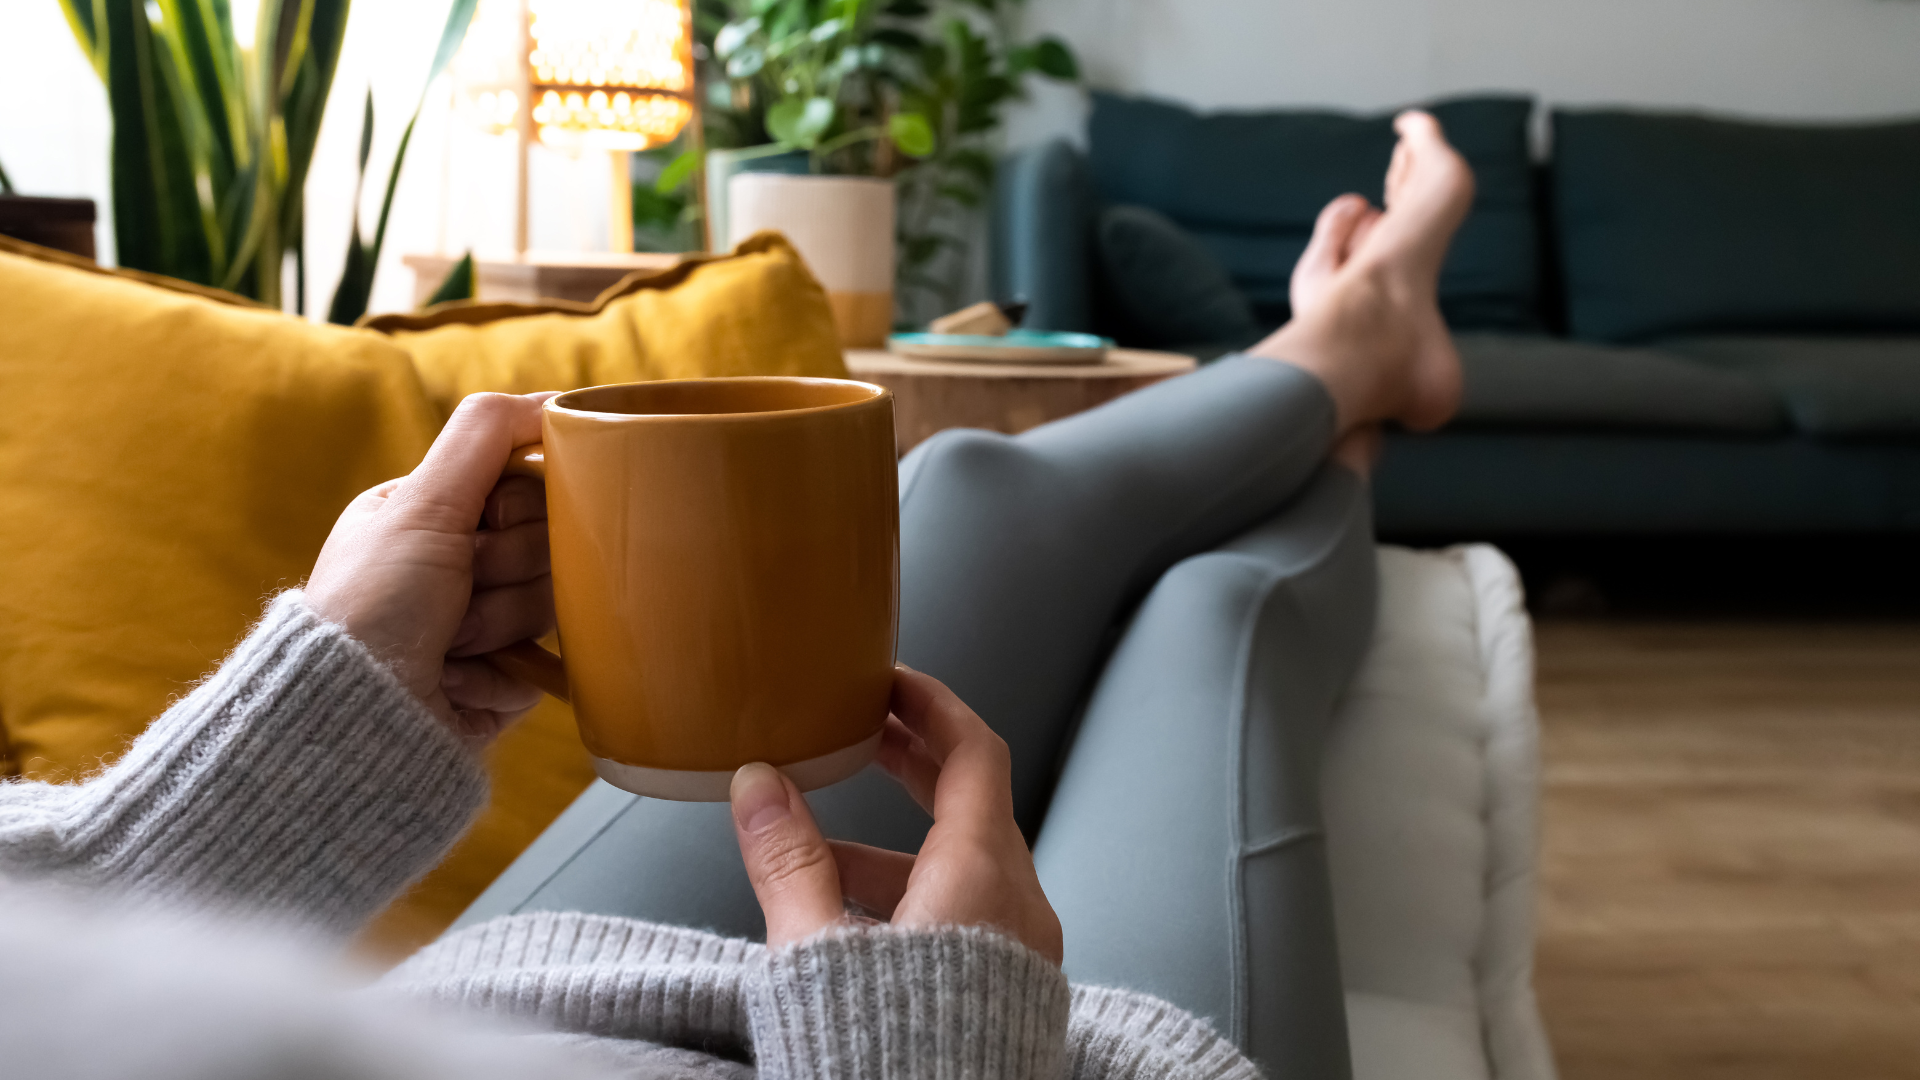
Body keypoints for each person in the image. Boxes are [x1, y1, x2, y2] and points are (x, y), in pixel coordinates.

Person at [0, 112, 1473, 1080]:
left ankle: (1345, 359)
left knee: (965, 487)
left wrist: (311, 732)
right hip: (895, 1055)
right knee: (1213, 609)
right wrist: (929, 1049)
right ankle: (1352, 381)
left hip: (504, 1009)